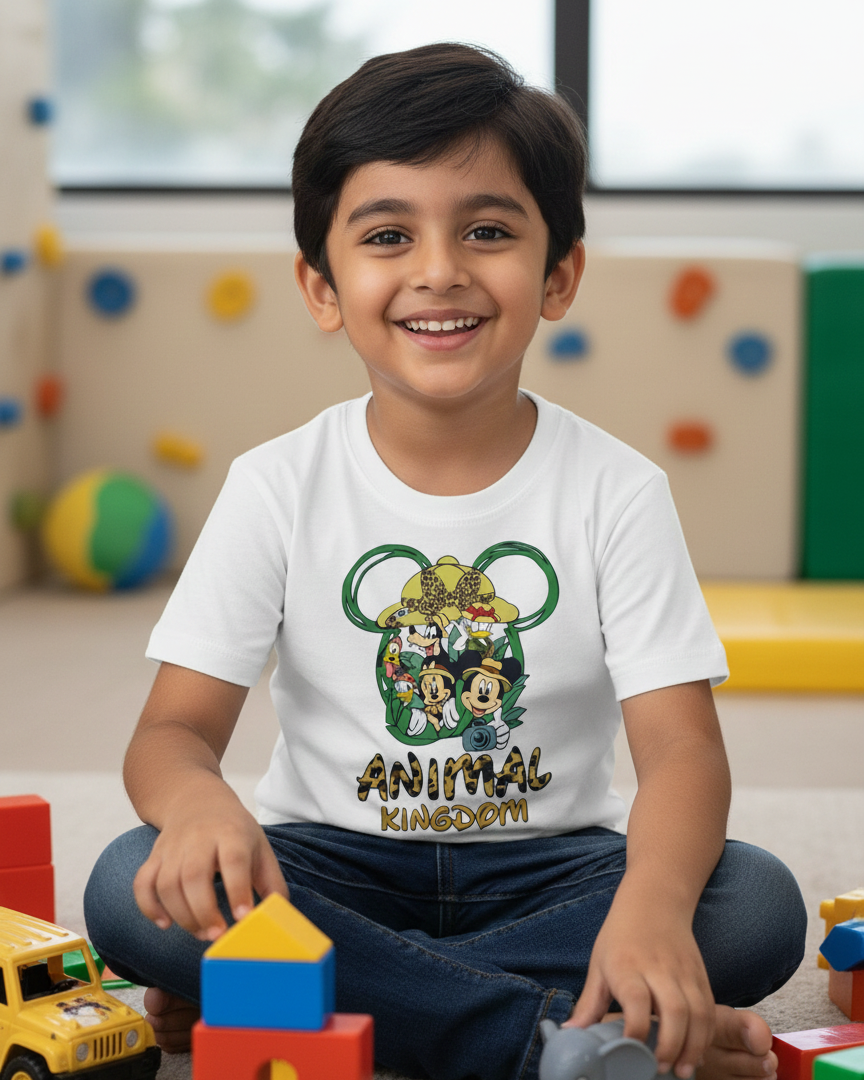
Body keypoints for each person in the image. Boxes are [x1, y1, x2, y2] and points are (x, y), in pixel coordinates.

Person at [84, 42, 806, 1080]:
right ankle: (543, 1037)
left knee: (753, 908)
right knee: (128, 885)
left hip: (553, 870)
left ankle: (314, 995)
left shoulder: (618, 489)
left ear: (558, 275)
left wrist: (650, 906)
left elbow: (684, 751)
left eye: (487, 231)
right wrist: (202, 811)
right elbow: (171, 735)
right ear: (322, 286)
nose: (439, 270)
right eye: (388, 235)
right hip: (329, 863)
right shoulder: (276, 484)